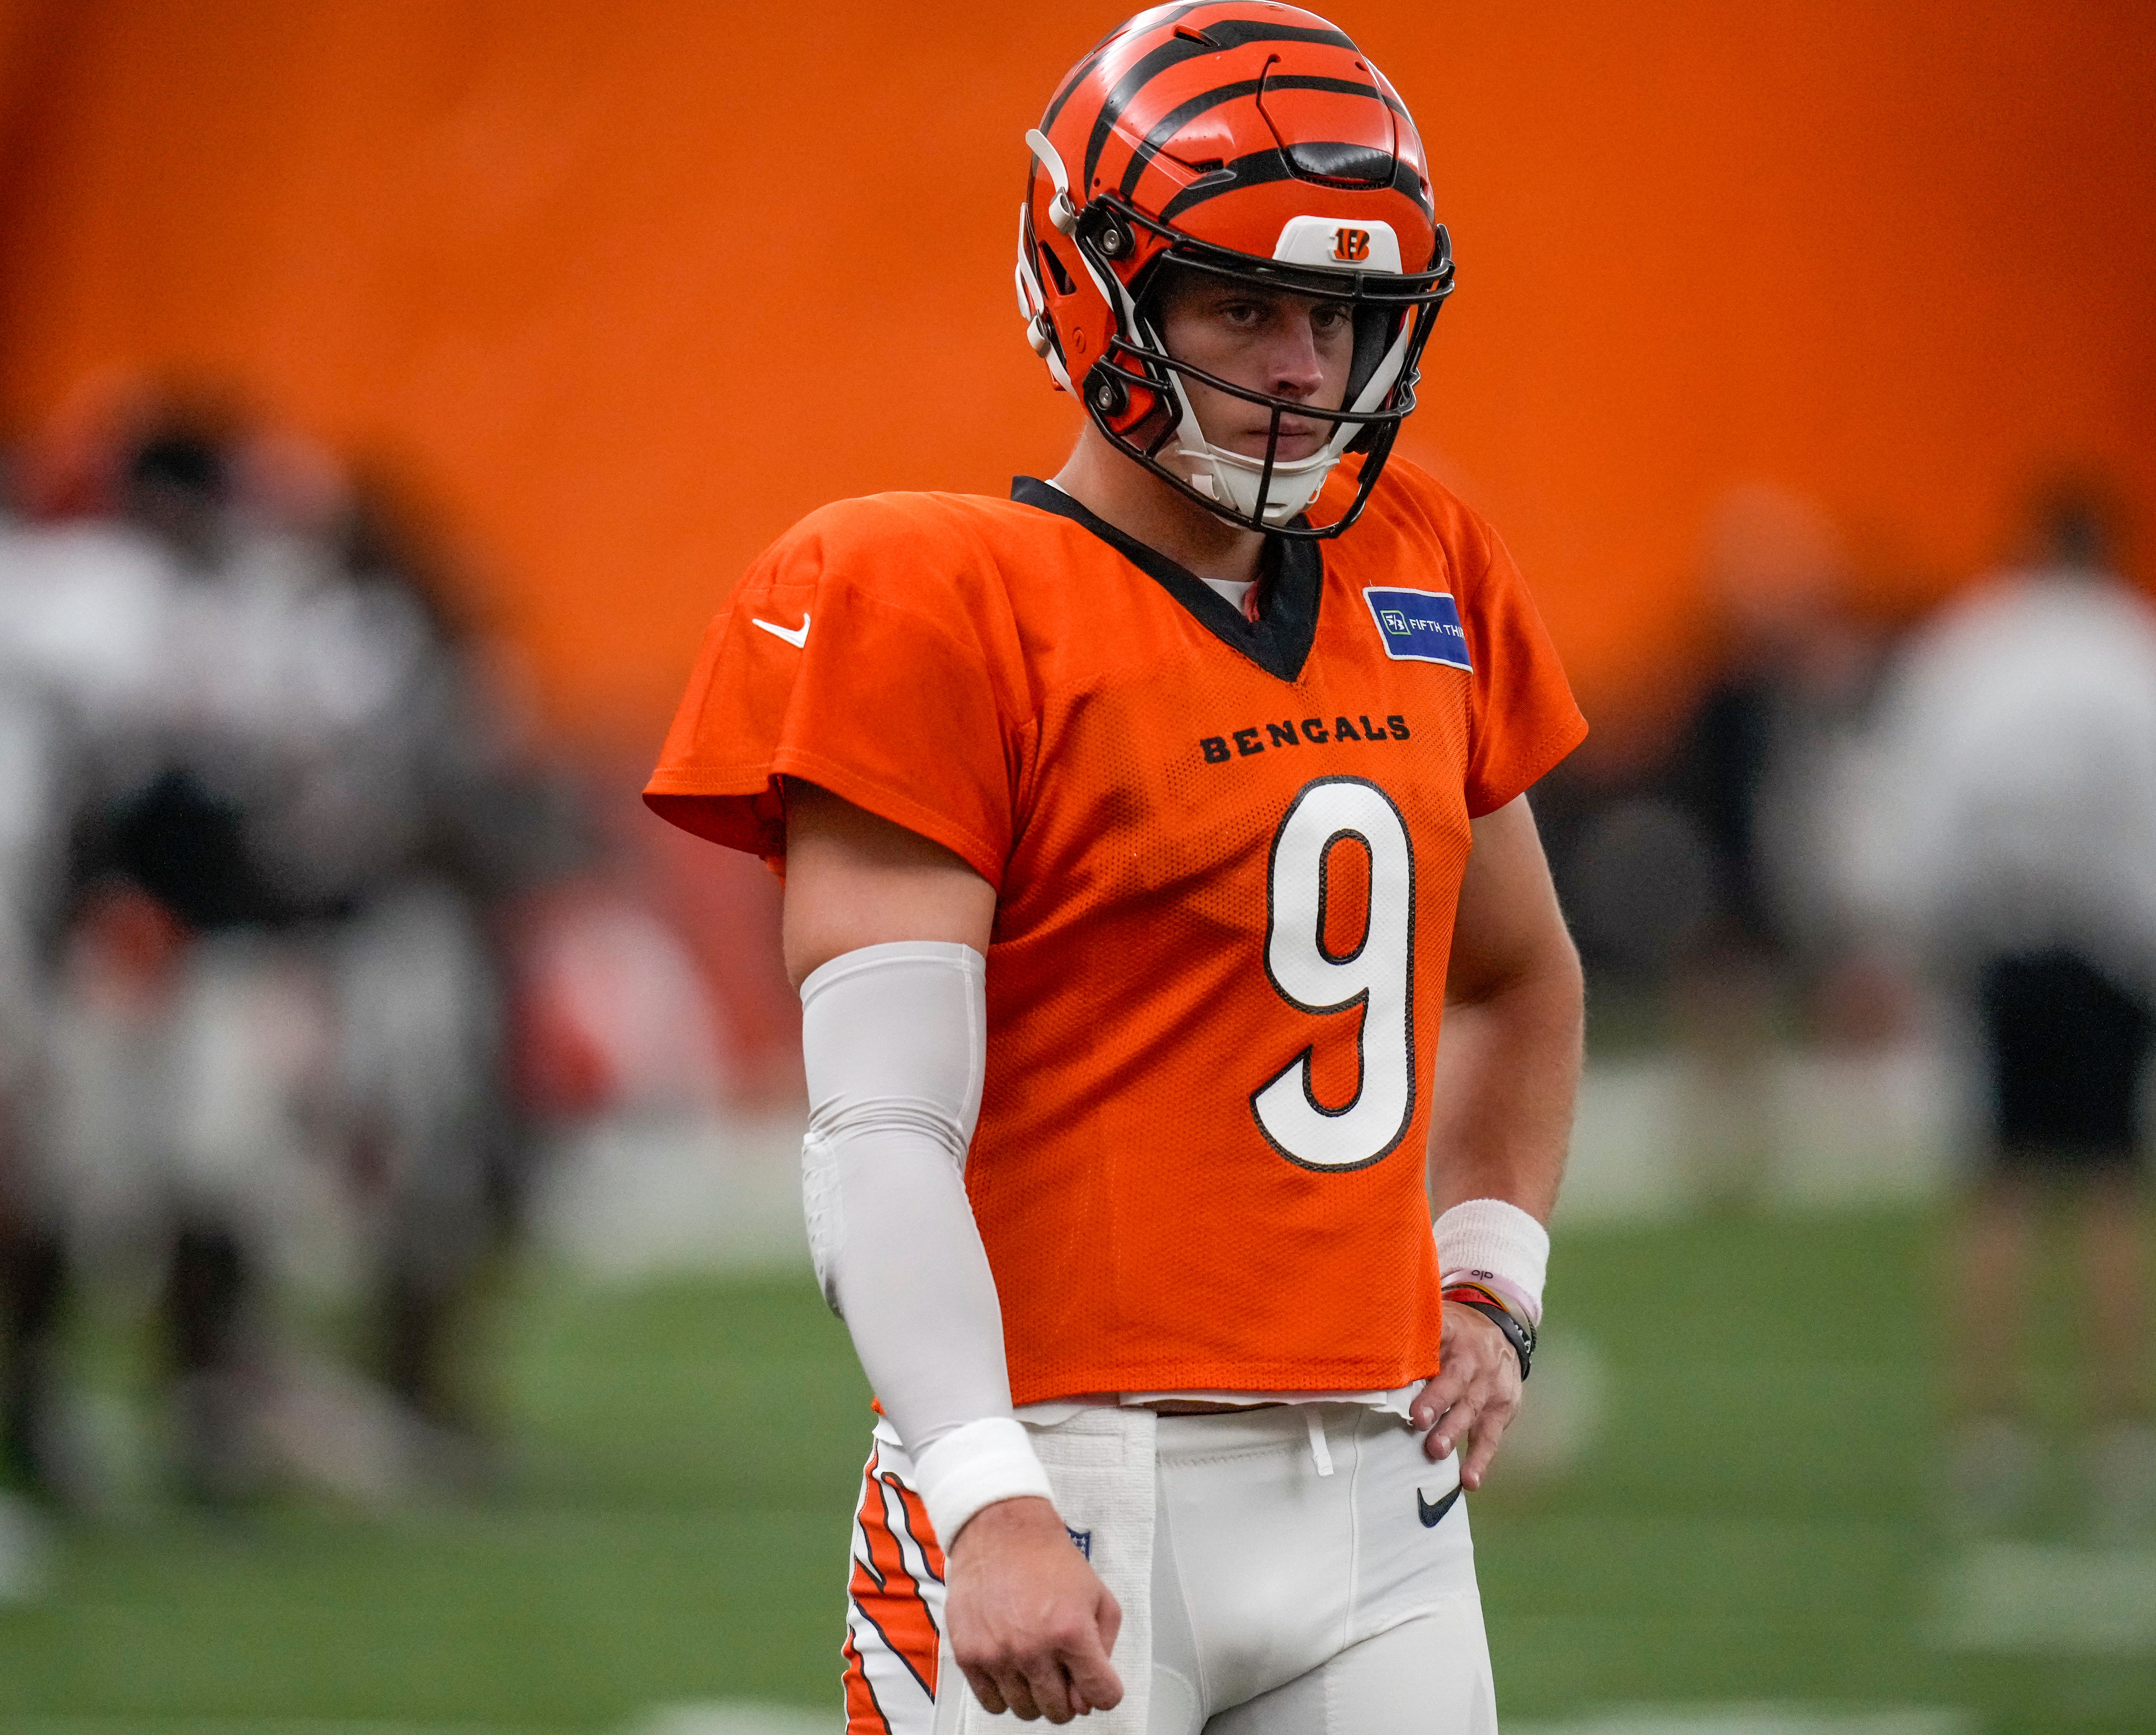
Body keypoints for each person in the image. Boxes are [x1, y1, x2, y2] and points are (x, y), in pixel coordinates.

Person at [647, 7, 1585, 1729]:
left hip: (1383, 1491)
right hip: (1069, 1466)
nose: (1302, 364)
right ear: (1097, 291)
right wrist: (984, 1489)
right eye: (1242, 303)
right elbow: (879, 1129)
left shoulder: (1426, 555)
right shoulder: (930, 593)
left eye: (1337, 314)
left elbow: (1523, 973)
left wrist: (1492, 1278)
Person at [1860, 484, 2156, 1537]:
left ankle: (1989, 1423)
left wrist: (1917, 939)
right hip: (2114, 944)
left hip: (2003, 942)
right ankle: (2123, 1425)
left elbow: (1923, 808)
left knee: (1998, 1185)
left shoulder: (1970, 650)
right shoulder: (2152, 657)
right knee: (2119, 1184)